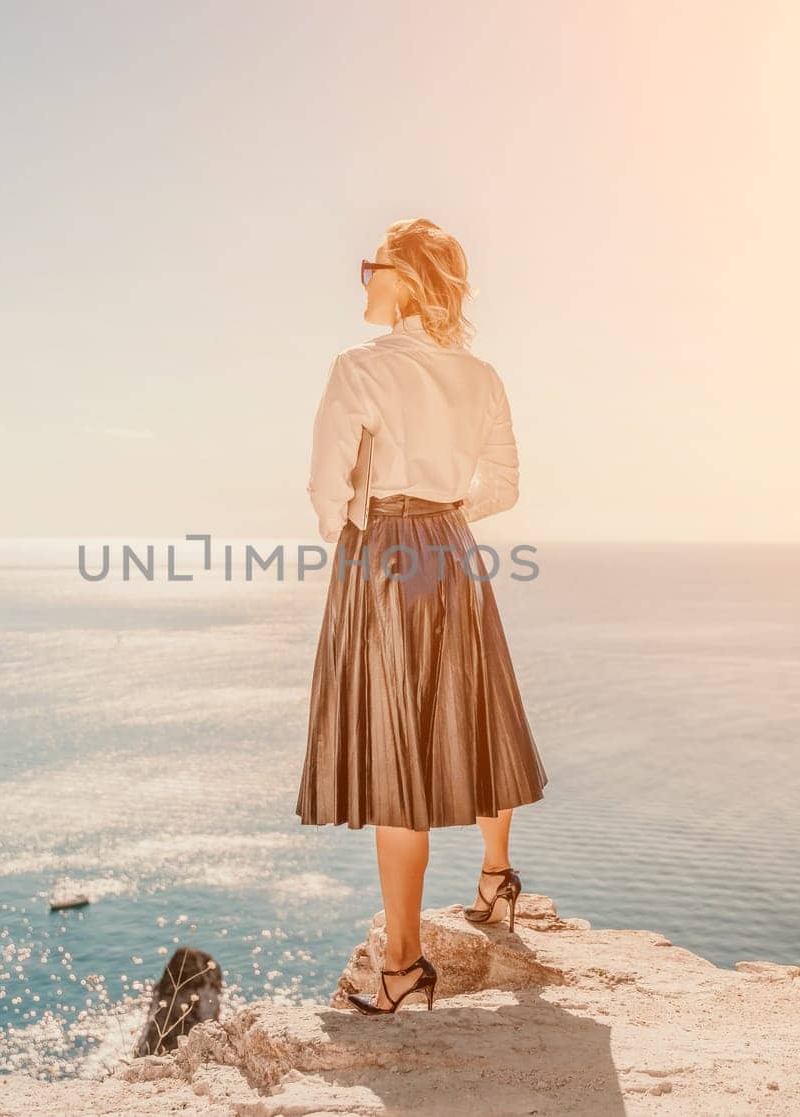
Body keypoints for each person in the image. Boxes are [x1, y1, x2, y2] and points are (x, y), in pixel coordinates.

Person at [295, 217, 550, 1015]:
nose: (363, 277)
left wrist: (366, 534)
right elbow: (503, 485)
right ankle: (495, 876)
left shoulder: (358, 368)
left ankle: (403, 965)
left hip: (386, 553)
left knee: (398, 754)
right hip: (453, 545)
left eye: (371, 265)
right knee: (474, 714)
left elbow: (326, 489)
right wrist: (446, 510)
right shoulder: (481, 375)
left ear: (403, 276)